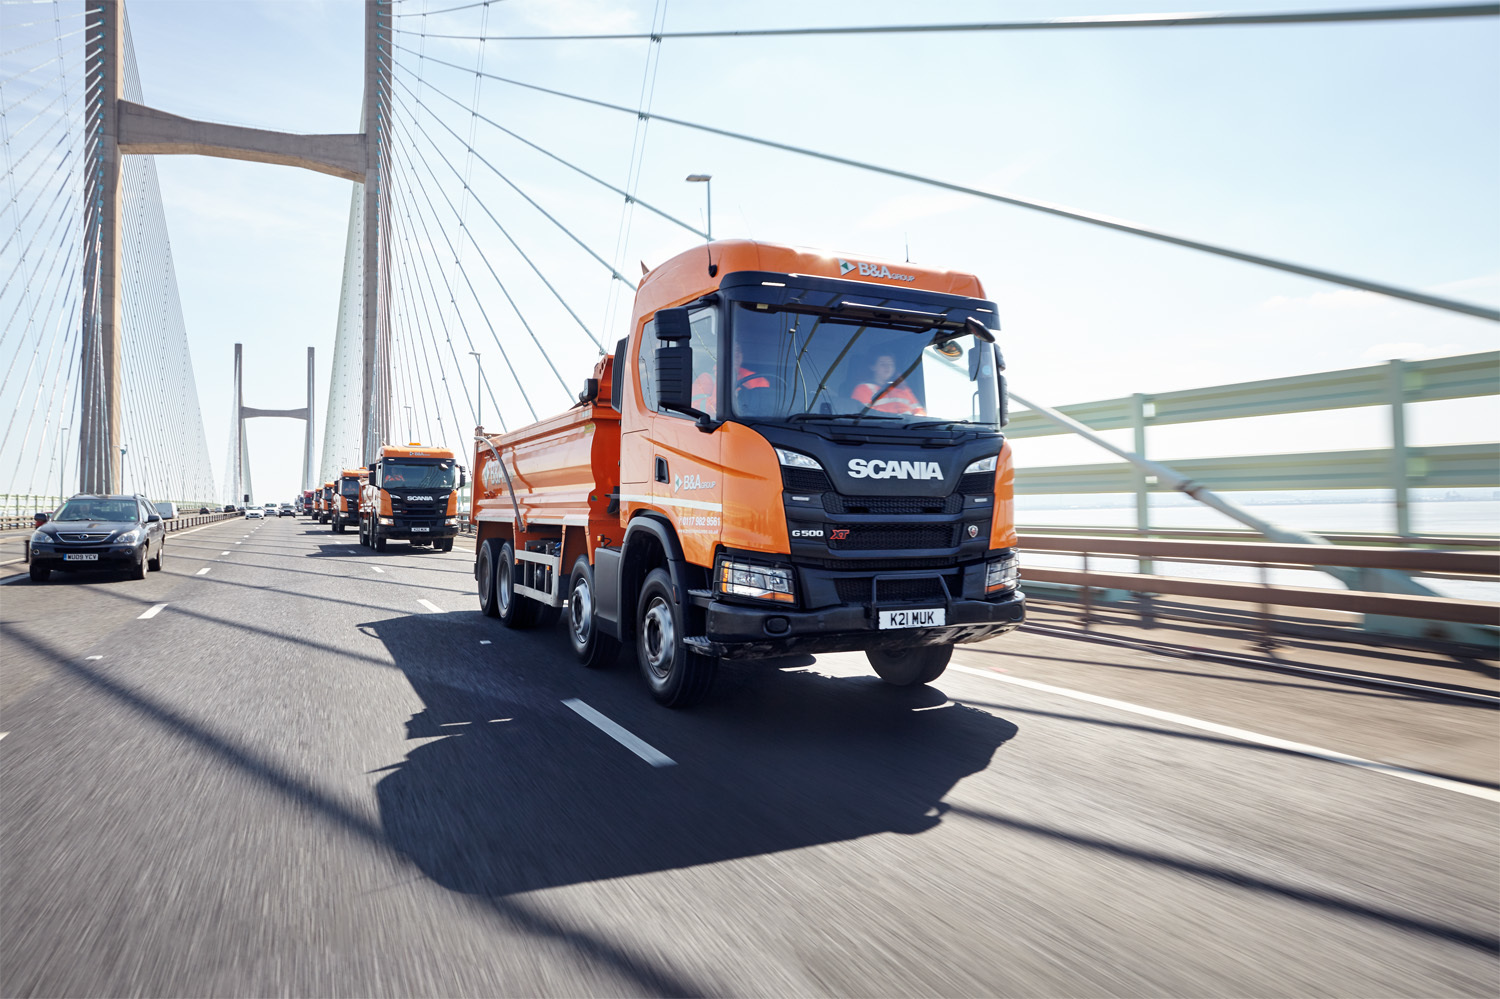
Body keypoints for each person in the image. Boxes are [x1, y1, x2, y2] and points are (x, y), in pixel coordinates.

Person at [691, 342, 768, 416]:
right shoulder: (706, 379)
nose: (736, 354)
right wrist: (722, 378)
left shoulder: (758, 380)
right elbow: (698, 414)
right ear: (720, 355)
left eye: (738, 351)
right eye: (731, 351)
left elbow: (766, 409)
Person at [851, 353, 925, 415]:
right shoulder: (863, 388)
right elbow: (864, 417)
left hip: (909, 429)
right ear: (873, 367)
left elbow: (920, 412)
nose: (888, 367)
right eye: (883, 364)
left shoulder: (903, 389)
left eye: (891, 364)